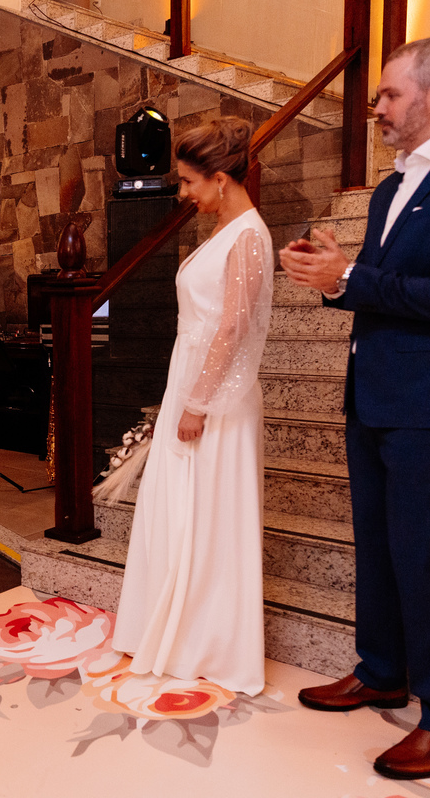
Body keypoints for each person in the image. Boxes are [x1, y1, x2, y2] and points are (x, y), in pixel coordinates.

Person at [278, 38, 430, 781]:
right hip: (376, 389)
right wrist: (335, 274)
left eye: (388, 95)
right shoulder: (390, 190)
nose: (376, 106)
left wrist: (351, 273)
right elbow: (385, 288)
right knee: (378, 545)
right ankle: (382, 670)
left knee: (421, 557)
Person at [110, 117, 273, 696]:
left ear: (222, 178)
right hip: (195, 384)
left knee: (209, 517)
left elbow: (233, 329)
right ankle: (176, 628)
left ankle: (209, 639)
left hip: (217, 401)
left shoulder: (249, 235)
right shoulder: (226, 230)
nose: (183, 194)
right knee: (180, 511)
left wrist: (198, 404)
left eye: (186, 182)